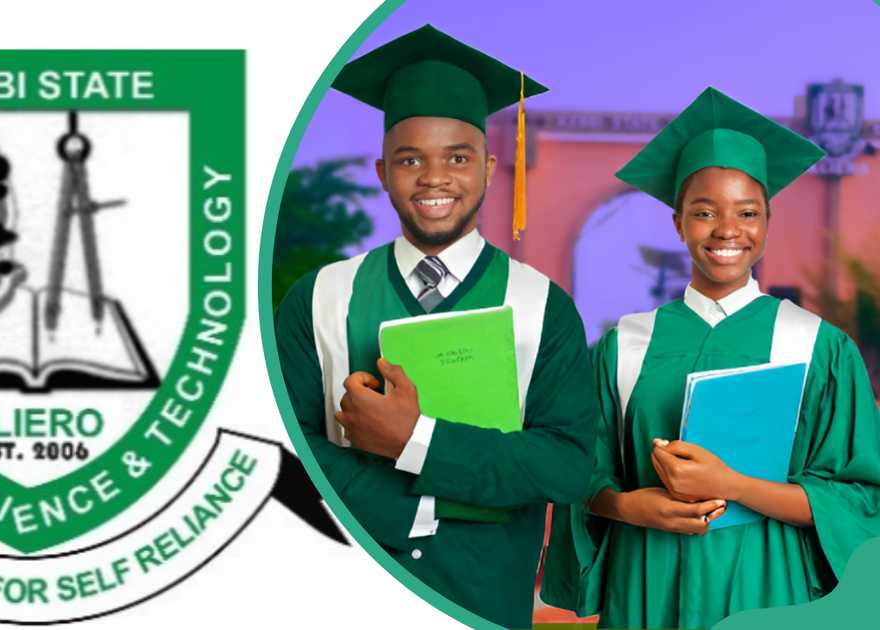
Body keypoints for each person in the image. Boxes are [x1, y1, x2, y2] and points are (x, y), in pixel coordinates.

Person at [274, 25, 599, 627]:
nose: (434, 178)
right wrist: (413, 506)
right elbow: (285, 450)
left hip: (484, 598)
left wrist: (414, 439)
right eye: (409, 159)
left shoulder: (542, 306)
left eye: (457, 157)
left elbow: (567, 464)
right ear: (381, 171)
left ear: (489, 166)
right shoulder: (318, 297)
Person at [541, 87, 880, 629]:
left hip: (769, 589)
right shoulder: (626, 344)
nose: (727, 231)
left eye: (747, 213)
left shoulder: (819, 346)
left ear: (767, 221)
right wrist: (628, 506)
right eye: (704, 212)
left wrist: (733, 486)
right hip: (646, 579)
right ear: (677, 223)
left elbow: (859, 498)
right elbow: (579, 470)